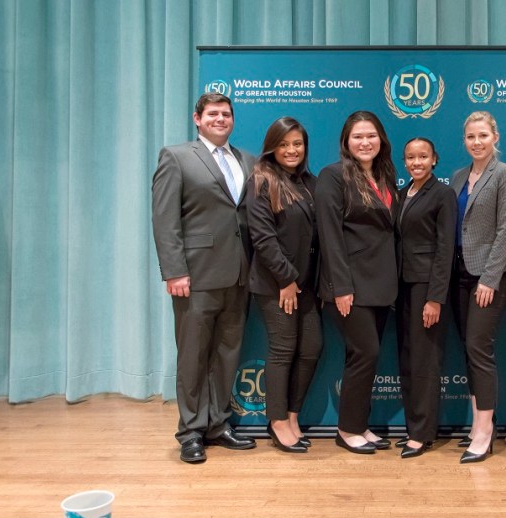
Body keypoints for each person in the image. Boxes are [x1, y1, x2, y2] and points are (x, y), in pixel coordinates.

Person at [152, 92, 257, 463]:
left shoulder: (248, 159)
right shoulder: (177, 157)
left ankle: (218, 424)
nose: (220, 119)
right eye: (212, 114)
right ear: (197, 119)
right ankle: (191, 431)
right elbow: (165, 219)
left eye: (226, 114)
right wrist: (175, 270)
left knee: (227, 354)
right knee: (194, 356)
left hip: (239, 275)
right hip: (194, 276)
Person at [315, 110, 398, 455]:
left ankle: (359, 423)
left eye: (371, 136)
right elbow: (330, 235)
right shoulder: (333, 176)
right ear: (346, 143)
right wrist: (341, 287)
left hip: (381, 285)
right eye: (358, 137)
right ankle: (347, 429)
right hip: (349, 286)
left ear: (381, 140)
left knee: (362, 356)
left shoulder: (386, 176)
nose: (365, 142)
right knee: (366, 352)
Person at [247, 117, 322, 454]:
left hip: (306, 284)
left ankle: (291, 415)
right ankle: (277, 422)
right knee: (282, 350)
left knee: (311, 348)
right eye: (284, 144)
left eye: (297, 144)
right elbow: (263, 238)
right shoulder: (262, 180)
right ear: (272, 147)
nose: (292, 150)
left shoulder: (310, 182)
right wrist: (286, 279)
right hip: (275, 285)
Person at [449, 111, 506, 464]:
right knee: (469, 348)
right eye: (470, 137)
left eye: (482, 135)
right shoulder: (459, 176)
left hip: (489, 277)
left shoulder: (505, 175)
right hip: (459, 275)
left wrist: (490, 279)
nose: (476, 142)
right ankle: (478, 425)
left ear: (495, 136)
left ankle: (485, 429)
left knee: (479, 347)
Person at [394, 138, 456, 459]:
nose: (416, 162)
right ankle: (412, 427)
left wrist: (435, 298)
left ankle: (422, 433)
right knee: (407, 358)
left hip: (426, 288)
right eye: (410, 157)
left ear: (434, 159)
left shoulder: (443, 194)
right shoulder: (402, 193)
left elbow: (446, 249)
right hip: (402, 286)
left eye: (423, 156)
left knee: (424, 360)